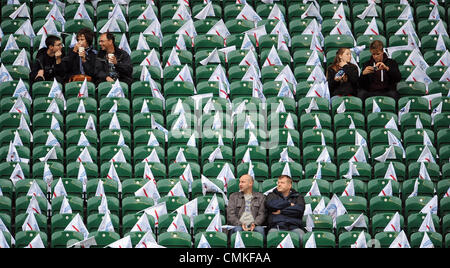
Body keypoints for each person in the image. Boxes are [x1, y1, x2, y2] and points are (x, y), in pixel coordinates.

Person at [265, 175, 305, 243]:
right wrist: (289, 204)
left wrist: (281, 211)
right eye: (278, 183)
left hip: (294, 227)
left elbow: (299, 210)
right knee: (271, 238)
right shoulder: (271, 195)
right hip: (276, 226)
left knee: (302, 238)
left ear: (289, 186)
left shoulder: (298, 197)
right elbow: (271, 205)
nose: (279, 184)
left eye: (282, 183)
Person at [227, 174, 266, 238]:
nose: (240, 184)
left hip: (255, 225)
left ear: (250, 183)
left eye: (243, 182)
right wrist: (240, 224)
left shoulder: (261, 197)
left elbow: (262, 214)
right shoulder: (233, 196)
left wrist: (255, 224)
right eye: (239, 182)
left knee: (259, 230)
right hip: (238, 225)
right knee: (238, 230)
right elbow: (230, 214)